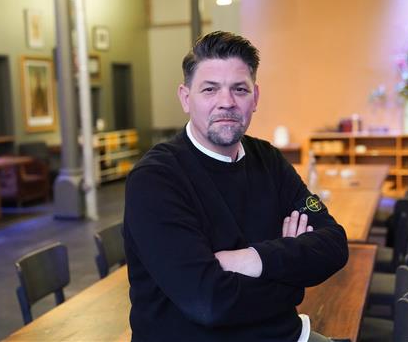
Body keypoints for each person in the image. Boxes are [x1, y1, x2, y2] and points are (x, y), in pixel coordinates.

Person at [123, 31, 349, 342]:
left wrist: (247, 259)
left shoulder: (267, 158)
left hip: (286, 335)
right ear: (186, 98)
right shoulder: (155, 180)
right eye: (210, 89)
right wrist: (293, 278)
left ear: (255, 98)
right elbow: (209, 302)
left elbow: (335, 245)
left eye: (239, 89)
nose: (226, 102)